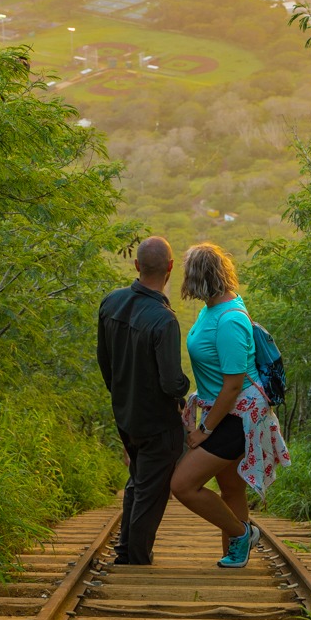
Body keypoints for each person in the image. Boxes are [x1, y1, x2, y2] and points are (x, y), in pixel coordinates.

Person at [171, 241, 290, 568]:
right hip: (222, 409)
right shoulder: (213, 308)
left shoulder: (230, 320)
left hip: (238, 416)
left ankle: (242, 534)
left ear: (199, 277)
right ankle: (235, 554)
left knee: (182, 485)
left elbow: (234, 383)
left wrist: (204, 431)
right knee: (231, 488)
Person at [97, 236, 190, 565]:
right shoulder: (164, 320)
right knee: (150, 489)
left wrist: (122, 396)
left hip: (125, 414)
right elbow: (170, 382)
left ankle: (126, 549)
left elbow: (105, 363)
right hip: (157, 421)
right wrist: (186, 387)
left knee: (138, 481)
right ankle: (134, 558)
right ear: (170, 267)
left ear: (137, 265)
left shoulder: (110, 303)